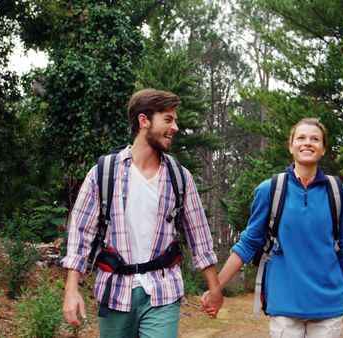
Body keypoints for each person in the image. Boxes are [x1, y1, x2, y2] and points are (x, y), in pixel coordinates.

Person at [61, 88, 223, 338]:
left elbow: (199, 237)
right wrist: (72, 289)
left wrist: (214, 288)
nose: (176, 127)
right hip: (114, 290)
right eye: (168, 119)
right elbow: (80, 236)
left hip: (163, 291)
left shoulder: (179, 178)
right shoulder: (103, 173)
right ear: (143, 120)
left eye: (175, 120)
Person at [203, 118, 343, 338]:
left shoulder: (340, 194)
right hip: (284, 305)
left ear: (323, 149)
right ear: (290, 146)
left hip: (328, 307)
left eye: (315, 139)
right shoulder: (270, 190)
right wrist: (217, 288)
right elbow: (248, 243)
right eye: (301, 138)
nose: (307, 143)